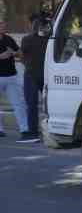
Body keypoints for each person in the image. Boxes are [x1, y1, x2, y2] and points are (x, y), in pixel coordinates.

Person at [19, 14, 48, 142]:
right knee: (48, 105)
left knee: (31, 105)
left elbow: (22, 55)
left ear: (32, 26)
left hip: (31, 75)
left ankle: (33, 133)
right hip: (45, 75)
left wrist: (26, 62)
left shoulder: (27, 39)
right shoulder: (48, 40)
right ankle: (51, 130)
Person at [0, 18, 23, 140]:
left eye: (3, 24)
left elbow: (20, 53)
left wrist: (13, 53)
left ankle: (24, 129)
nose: (3, 26)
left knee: (18, 103)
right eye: (1, 25)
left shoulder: (9, 39)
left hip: (11, 76)